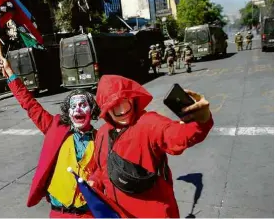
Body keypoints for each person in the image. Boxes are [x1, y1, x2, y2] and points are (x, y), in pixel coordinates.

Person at [88, 75, 214, 218]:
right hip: (117, 214)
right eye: (114, 107)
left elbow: (176, 135)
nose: (123, 111)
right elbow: (102, 167)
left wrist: (201, 121)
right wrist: (95, 181)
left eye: (125, 102)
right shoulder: (103, 133)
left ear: (132, 98)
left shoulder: (149, 123)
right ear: (106, 111)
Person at [0, 57, 100, 218]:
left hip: (88, 214)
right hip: (58, 213)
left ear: (92, 110)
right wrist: (10, 73)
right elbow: (30, 105)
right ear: (68, 112)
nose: (78, 109)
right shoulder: (56, 128)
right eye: (73, 106)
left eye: (83, 105)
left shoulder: (101, 139)